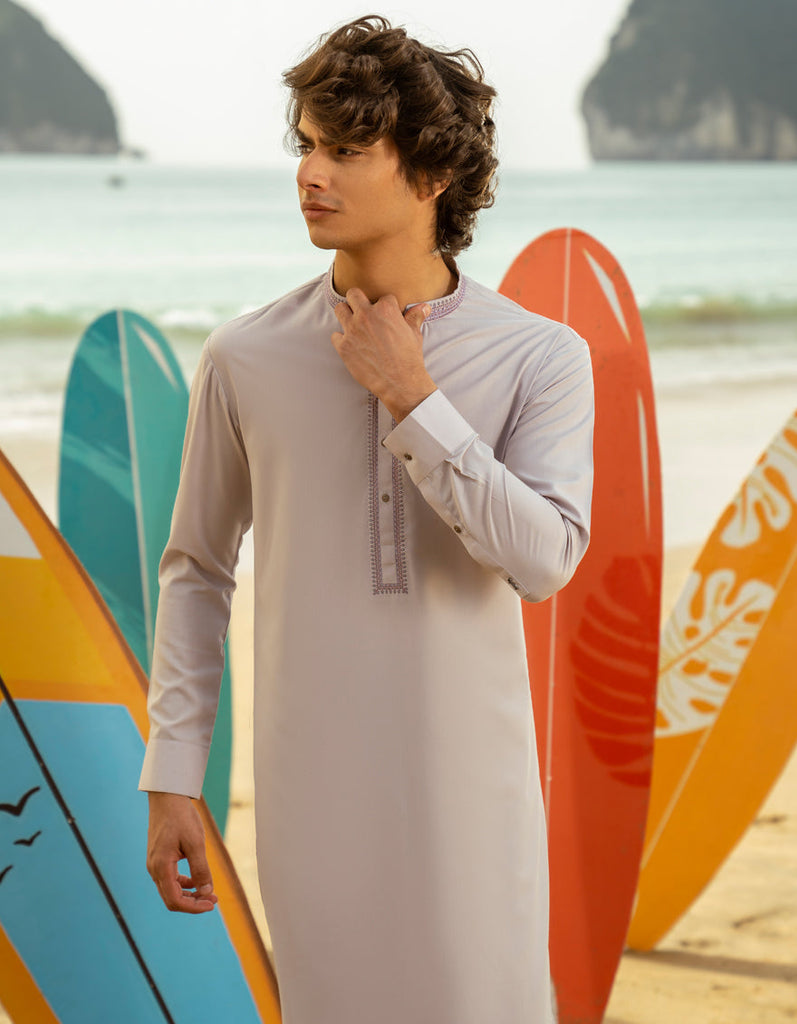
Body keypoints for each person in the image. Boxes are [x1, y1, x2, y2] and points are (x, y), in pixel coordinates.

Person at [140, 14, 593, 1024]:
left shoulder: (539, 357)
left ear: (432, 172)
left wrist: (413, 400)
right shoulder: (244, 355)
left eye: (345, 150)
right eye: (306, 144)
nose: (310, 173)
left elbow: (544, 560)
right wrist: (174, 775)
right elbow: (196, 569)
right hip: (310, 787)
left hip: (471, 788)